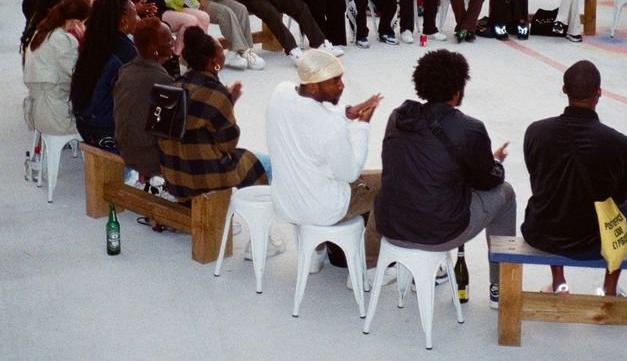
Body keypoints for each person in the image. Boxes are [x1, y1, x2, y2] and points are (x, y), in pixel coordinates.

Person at [376, 49, 516, 306]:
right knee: (506, 194)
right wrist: (494, 162)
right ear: (458, 89)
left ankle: (434, 269)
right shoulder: (470, 128)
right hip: (439, 231)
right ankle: (500, 286)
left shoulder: (398, 117)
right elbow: (487, 181)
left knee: (430, 184)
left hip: (392, 225)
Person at [521, 60, 627, 297]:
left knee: (552, 194)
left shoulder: (536, 132)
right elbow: (624, 190)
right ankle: (609, 287)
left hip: (544, 233)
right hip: (593, 240)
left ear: (564, 90)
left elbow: (537, 178)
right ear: (599, 92)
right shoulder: (619, 143)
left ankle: (558, 282)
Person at [266, 48, 384, 270]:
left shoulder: (280, 93)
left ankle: (315, 252)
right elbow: (349, 173)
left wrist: (346, 113)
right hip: (324, 210)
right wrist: (362, 126)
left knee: (318, 171)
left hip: (286, 203)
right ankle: (370, 265)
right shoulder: (330, 127)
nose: (342, 86)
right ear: (312, 85)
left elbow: (307, 115)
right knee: (391, 182)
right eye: (334, 81)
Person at [158, 27, 268, 200]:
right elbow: (228, 144)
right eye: (221, 53)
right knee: (262, 163)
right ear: (214, 62)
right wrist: (228, 104)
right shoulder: (216, 94)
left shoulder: (172, 86)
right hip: (202, 179)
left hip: (174, 176)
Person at [70, 0, 138, 151]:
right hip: (108, 131)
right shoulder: (126, 53)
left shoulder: (95, 43)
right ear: (123, 20)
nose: (138, 18)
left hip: (85, 126)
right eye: (135, 13)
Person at [113, 18, 175, 184]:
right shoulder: (162, 80)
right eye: (168, 39)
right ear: (154, 47)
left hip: (125, 147)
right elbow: (168, 132)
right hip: (146, 157)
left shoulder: (126, 70)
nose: (173, 42)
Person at [23, 0, 90, 137]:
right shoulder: (63, 40)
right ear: (76, 22)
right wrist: (85, 41)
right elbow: (78, 75)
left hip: (40, 111)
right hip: (55, 116)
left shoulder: (41, 33)